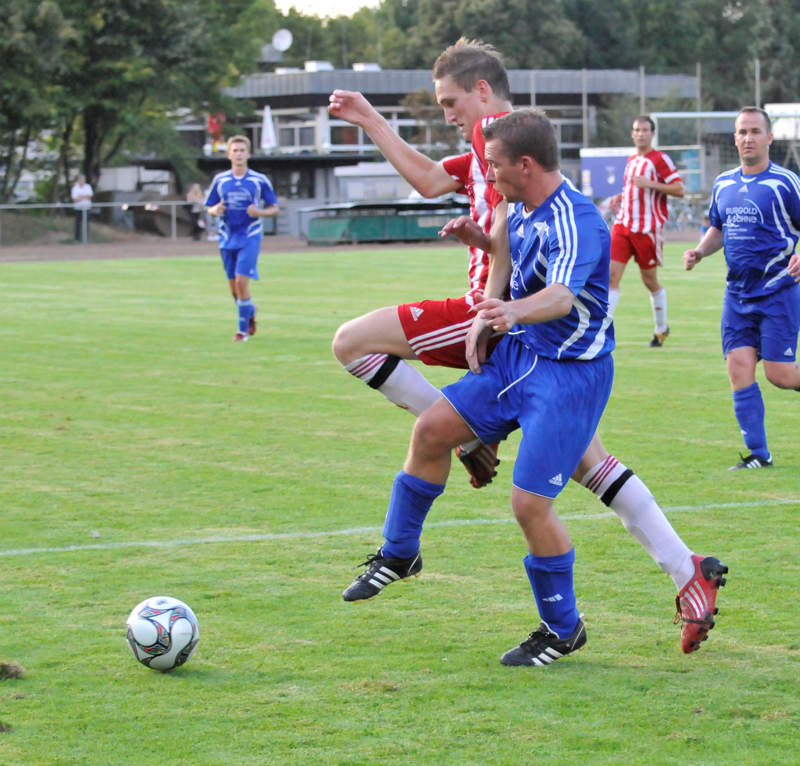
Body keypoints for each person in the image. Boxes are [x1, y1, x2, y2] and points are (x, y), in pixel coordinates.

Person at [332, 39, 726, 654]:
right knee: (439, 432)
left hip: (566, 369)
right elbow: (501, 249)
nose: (485, 175)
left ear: (523, 162)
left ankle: (564, 629)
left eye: (493, 165)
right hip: (519, 350)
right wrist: (487, 302)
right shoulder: (513, 197)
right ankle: (402, 550)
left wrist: (505, 310)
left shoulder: (572, 214)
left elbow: (562, 295)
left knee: (529, 503)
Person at [683, 106, 800, 470]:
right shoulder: (723, 184)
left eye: (755, 131)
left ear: (769, 138)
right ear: (734, 138)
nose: (748, 138)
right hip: (737, 295)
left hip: (778, 291)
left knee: (780, 375)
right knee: (738, 368)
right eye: (742, 132)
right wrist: (699, 251)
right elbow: (718, 228)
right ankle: (759, 455)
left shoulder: (785, 183)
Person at [608, 116, 684, 346]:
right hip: (623, 225)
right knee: (610, 276)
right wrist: (620, 197)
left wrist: (651, 184)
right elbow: (633, 188)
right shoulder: (632, 160)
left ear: (652, 133)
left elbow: (679, 189)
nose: (640, 134)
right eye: (637, 130)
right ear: (632, 134)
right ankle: (600, 329)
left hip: (647, 229)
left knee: (649, 280)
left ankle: (661, 329)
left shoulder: (659, 159)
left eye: (644, 130)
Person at [204, 135, 279, 342]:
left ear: (248, 154)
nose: (238, 154)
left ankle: (242, 332)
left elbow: (274, 208)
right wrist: (215, 210)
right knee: (234, 288)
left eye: (242, 150)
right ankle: (250, 310)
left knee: (241, 281)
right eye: (235, 151)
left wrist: (259, 212)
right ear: (229, 154)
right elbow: (209, 206)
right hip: (226, 237)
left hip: (250, 236)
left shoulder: (259, 180)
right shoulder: (220, 180)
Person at [70, 174, 93, 242]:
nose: (82, 181)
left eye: (83, 179)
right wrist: (84, 197)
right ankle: (77, 239)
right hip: (78, 208)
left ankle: (86, 239)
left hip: (86, 208)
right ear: (78, 180)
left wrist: (80, 196)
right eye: (80, 179)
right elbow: (75, 199)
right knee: (77, 224)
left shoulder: (88, 186)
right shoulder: (75, 188)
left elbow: (90, 196)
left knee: (86, 224)